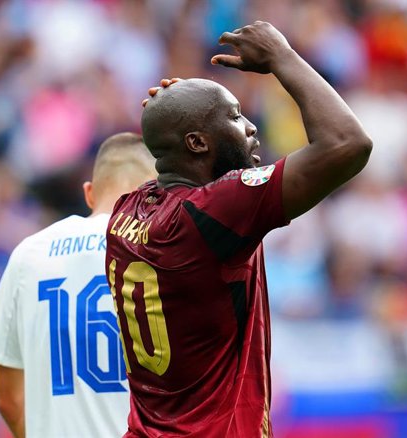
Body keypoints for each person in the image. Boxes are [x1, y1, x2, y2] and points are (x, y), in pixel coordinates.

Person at [105, 21, 372, 437]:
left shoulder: (127, 212)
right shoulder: (216, 212)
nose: (250, 126)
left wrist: (178, 112)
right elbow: (347, 144)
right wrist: (282, 56)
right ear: (196, 143)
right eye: (233, 117)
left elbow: (170, 163)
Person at [0, 133, 157, 438]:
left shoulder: (29, 254)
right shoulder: (166, 254)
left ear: (89, 193)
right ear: (154, 197)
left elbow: (8, 400)